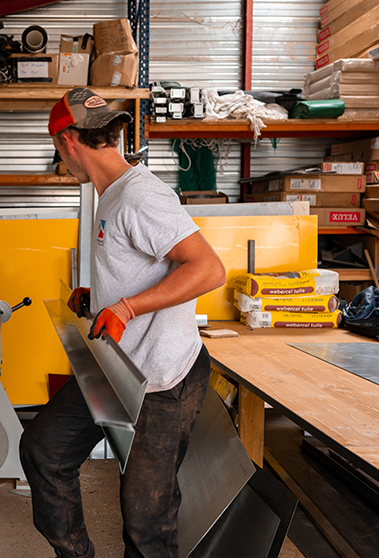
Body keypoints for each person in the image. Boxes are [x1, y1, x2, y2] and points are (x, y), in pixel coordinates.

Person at [19, 87, 226, 558]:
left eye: (57, 149)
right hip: (117, 368)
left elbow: (207, 268)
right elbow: (146, 265)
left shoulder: (139, 195)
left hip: (160, 380)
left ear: (67, 142)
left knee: (147, 524)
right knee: (44, 452)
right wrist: (104, 298)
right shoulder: (108, 194)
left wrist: (128, 308)